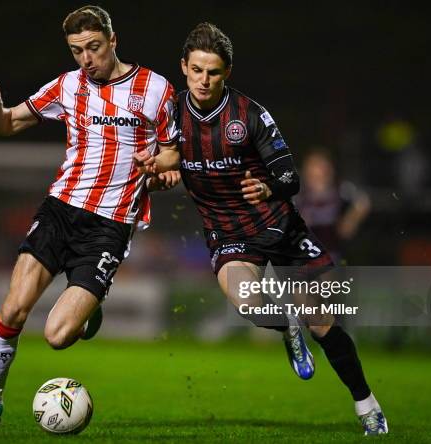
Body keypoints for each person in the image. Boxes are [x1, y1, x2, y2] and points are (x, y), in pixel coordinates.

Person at [149, 23, 387, 435]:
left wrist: (267, 185)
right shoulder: (168, 115)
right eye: (197, 70)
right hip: (228, 234)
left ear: (227, 73)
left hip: (279, 227)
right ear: (184, 67)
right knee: (249, 303)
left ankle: (367, 404)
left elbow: (291, 179)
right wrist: (158, 174)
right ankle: (285, 325)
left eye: (214, 72)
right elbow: (164, 160)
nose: (204, 80)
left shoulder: (250, 114)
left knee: (321, 320)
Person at [0, 5, 179, 427]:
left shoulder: (155, 88)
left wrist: (160, 164)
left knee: (58, 337)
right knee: (13, 310)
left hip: (109, 225)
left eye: (94, 48)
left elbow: (173, 147)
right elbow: (5, 125)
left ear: (113, 41)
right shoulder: (67, 86)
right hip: (60, 209)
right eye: (77, 50)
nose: (86, 59)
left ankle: (87, 308)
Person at [295, 148, 371, 263]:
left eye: (322, 170)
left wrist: (351, 221)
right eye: (313, 172)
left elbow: (363, 201)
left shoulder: (339, 189)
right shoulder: (300, 193)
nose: (318, 177)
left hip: (331, 247)